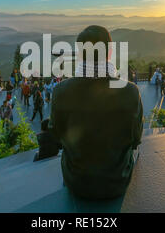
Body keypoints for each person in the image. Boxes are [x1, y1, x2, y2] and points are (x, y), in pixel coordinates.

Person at [50, 25, 143, 200]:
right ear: (109, 52)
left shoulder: (60, 91)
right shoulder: (130, 91)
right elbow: (136, 139)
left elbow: (56, 136)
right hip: (117, 182)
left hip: (75, 181)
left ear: (79, 53)